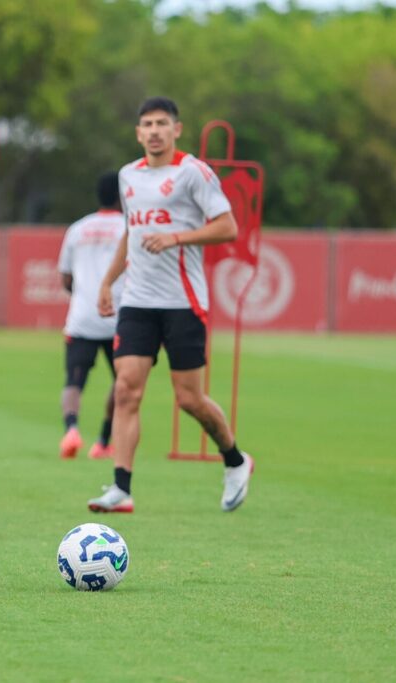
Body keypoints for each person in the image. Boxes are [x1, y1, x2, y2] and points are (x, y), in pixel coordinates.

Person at [87, 97, 254, 514]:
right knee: (126, 389)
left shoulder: (193, 172)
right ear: (138, 132)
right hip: (138, 300)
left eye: (163, 123)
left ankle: (235, 460)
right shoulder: (128, 176)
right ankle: (121, 487)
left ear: (177, 129)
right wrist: (109, 282)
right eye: (147, 124)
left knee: (189, 400)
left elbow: (228, 227)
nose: (155, 130)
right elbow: (131, 231)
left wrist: (177, 237)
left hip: (183, 302)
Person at [56, 172, 125, 460]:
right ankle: (104, 441)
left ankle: (71, 430)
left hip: (83, 316)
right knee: (123, 381)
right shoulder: (128, 227)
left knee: (74, 381)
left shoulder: (78, 229)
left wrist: (82, 295)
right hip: (121, 317)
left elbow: (66, 278)